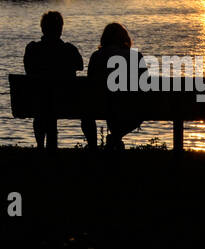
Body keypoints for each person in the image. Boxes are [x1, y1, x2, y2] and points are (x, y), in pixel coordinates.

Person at [22, 11, 84, 148]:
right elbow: (80, 66)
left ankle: (40, 145)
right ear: (60, 29)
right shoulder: (69, 49)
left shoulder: (32, 49)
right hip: (65, 101)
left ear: (43, 29)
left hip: (36, 100)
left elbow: (28, 69)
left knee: (43, 104)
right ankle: (51, 148)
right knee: (51, 102)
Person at [83, 21, 146, 151]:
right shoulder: (136, 56)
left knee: (88, 113)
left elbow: (90, 82)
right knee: (138, 106)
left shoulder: (96, 56)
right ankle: (116, 137)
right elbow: (144, 84)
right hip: (129, 105)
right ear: (124, 38)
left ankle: (94, 149)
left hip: (100, 105)